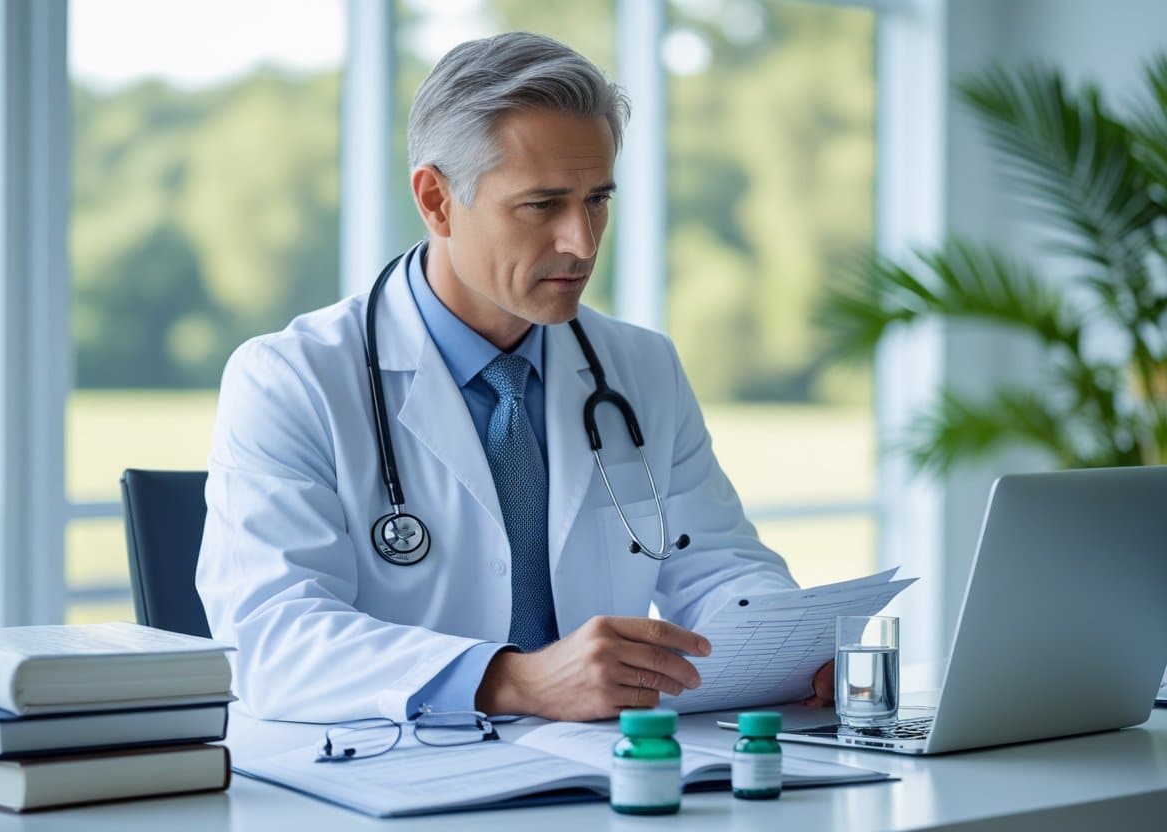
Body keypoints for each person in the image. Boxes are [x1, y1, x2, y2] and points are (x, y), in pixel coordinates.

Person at [196, 31, 833, 724]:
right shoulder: (292, 380)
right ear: (436, 199)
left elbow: (717, 567)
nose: (582, 243)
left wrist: (788, 645)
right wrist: (514, 681)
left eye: (598, 200)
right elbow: (271, 640)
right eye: (543, 205)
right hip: (394, 785)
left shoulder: (642, 369)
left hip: (603, 777)